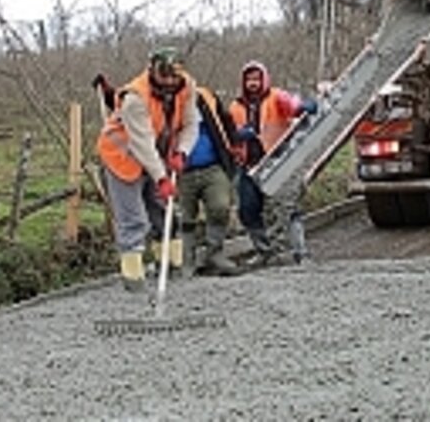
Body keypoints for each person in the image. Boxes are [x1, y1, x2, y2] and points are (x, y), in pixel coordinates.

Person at [96, 47, 199, 291]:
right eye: (165, 76)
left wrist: (182, 151)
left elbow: (191, 123)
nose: (170, 81)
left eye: (174, 76)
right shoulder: (135, 98)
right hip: (122, 155)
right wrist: (162, 179)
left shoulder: (187, 87)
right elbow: (141, 143)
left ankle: (171, 264)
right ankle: (133, 277)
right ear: (152, 70)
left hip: (157, 152)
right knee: (133, 218)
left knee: (162, 210)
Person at [229, 60, 318, 266]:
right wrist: (238, 135)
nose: (253, 83)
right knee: (248, 210)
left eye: (256, 79)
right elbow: (229, 132)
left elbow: (294, 107)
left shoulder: (277, 97)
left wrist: (305, 106)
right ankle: (264, 251)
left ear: (264, 79)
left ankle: (300, 252)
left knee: (287, 207)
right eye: (249, 79)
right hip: (249, 165)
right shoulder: (235, 106)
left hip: (277, 161)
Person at [178, 83, 241, 276]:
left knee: (220, 206)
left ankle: (215, 253)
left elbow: (226, 120)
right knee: (185, 216)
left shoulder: (206, 98)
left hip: (213, 165)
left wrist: (235, 143)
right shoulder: (165, 104)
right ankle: (187, 259)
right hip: (182, 170)